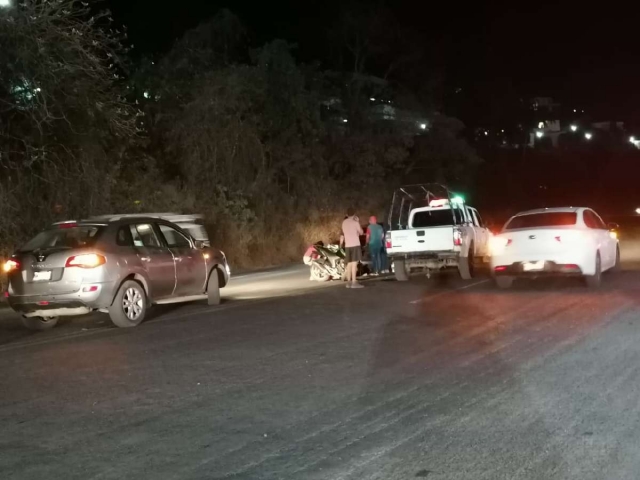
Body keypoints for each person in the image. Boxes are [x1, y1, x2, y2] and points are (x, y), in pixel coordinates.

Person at [341, 208, 364, 288]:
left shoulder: (344, 222)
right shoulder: (355, 222)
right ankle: (354, 282)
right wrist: (357, 222)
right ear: (354, 214)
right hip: (355, 244)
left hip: (348, 245)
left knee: (349, 264)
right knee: (354, 264)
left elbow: (344, 233)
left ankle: (348, 283)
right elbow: (361, 232)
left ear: (347, 214)